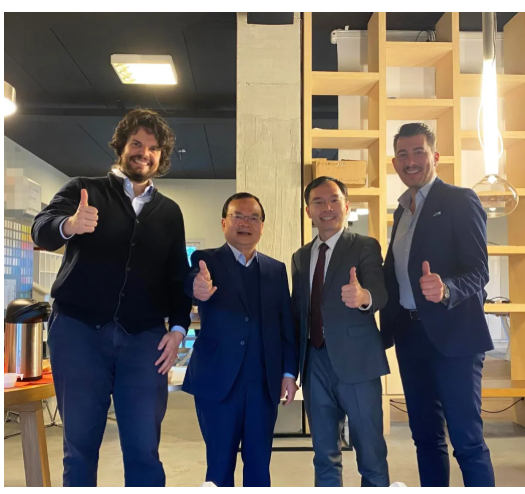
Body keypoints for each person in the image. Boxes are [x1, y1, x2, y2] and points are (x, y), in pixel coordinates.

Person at [31, 109, 192, 487]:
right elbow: (41, 229)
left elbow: (176, 276)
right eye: (136, 143)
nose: (144, 153)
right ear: (121, 146)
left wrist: (179, 329)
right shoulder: (82, 189)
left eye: (153, 148)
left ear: (162, 157)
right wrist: (69, 225)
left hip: (144, 340)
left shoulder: (170, 212)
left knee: (144, 447)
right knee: (80, 446)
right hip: (79, 334)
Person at [381, 122, 495, 487]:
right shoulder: (401, 212)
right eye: (402, 154)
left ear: (436, 156)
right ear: (394, 162)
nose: (410, 161)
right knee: (425, 437)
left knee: (467, 440)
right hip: (410, 336)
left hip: (454, 336)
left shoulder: (460, 200)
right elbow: (394, 274)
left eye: (419, 152)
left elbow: (479, 271)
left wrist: (446, 288)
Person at [183, 192, 298, 487]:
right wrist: (197, 287)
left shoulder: (276, 270)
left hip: (263, 382)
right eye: (238, 216)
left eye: (253, 217)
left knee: (259, 465)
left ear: (262, 226)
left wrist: (289, 373)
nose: (245, 223)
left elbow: (286, 324)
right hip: (218, 381)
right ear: (224, 223)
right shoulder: (206, 260)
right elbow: (192, 281)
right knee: (219, 466)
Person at [291, 176, 390, 487]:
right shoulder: (300, 257)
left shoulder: (364, 246)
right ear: (308, 210)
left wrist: (363, 297)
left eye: (334, 200)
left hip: (358, 362)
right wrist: (291, 369)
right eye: (318, 202)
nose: (327, 208)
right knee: (324, 454)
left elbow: (380, 292)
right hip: (314, 363)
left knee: (370, 452)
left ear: (347, 207)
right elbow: (298, 313)